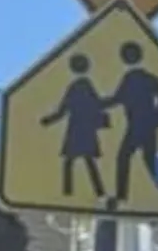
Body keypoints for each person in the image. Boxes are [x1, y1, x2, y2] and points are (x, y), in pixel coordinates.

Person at [33, 52, 113, 202]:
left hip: (78, 129)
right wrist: (48, 120)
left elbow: (64, 109)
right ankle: (90, 192)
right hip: (83, 129)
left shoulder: (79, 86)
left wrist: (48, 120)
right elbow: (94, 104)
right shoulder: (84, 85)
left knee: (74, 161)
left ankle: (74, 192)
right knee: (81, 161)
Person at [109, 40, 158, 198]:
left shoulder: (132, 79)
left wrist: (97, 104)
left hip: (137, 126)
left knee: (124, 157)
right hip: (148, 126)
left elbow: (116, 99)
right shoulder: (147, 78)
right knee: (148, 160)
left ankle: (122, 195)